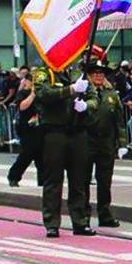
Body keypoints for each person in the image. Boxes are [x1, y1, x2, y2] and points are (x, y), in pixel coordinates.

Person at [34, 60, 97, 237]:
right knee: (53, 179)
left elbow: (94, 98)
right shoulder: (44, 73)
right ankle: (52, 223)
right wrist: (70, 90)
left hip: (78, 133)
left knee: (79, 180)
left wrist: (86, 106)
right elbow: (43, 94)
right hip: (55, 132)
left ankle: (80, 221)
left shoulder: (79, 74)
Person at [85, 62, 127, 228]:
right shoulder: (82, 93)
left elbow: (119, 121)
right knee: (83, 181)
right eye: (95, 73)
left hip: (106, 142)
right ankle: (83, 216)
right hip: (86, 141)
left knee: (105, 181)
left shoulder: (112, 95)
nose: (98, 76)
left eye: (101, 74)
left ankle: (105, 214)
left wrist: (122, 143)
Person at [6, 72, 42, 187]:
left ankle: (43, 181)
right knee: (26, 155)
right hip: (26, 128)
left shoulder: (42, 94)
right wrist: (32, 94)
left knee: (42, 156)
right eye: (31, 80)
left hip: (40, 127)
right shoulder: (23, 93)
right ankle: (13, 176)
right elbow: (22, 106)